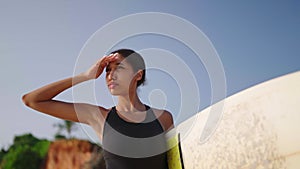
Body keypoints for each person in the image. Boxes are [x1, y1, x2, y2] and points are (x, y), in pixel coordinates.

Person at [22, 49, 174, 169]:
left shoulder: (163, 118)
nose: (110, 75)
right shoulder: (99, 117)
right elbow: (32, 100)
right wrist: (85, 76)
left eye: (118, 68)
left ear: (138, 75)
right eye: (107, 70)